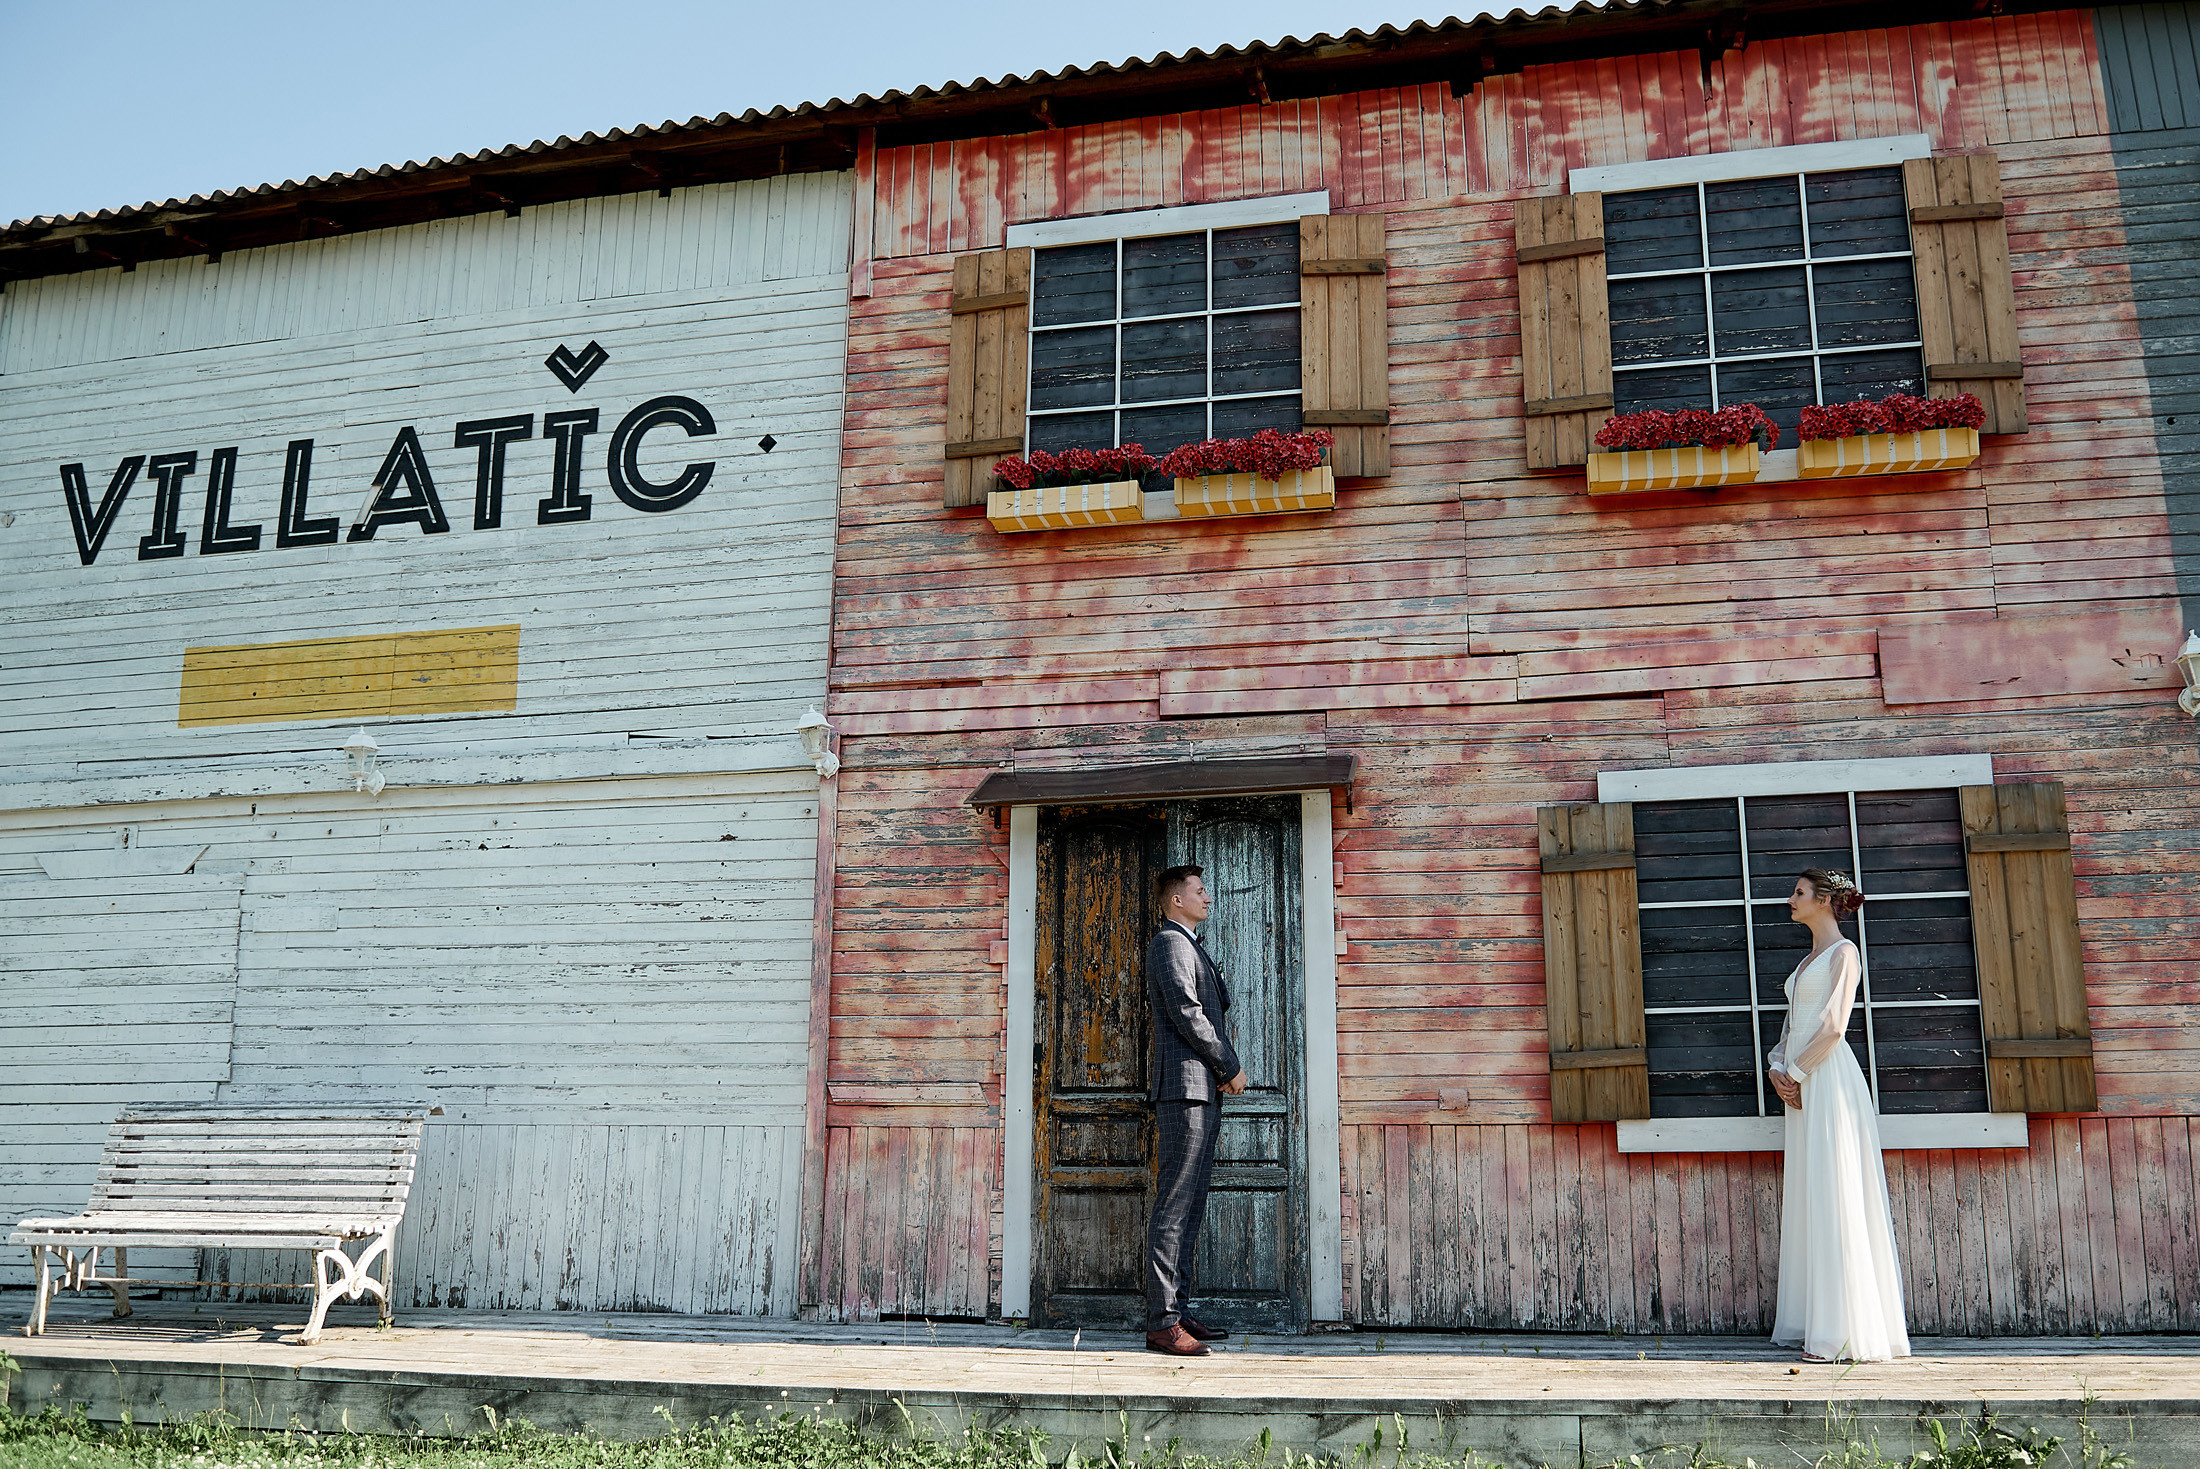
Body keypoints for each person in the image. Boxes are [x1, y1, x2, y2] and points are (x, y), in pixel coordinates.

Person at [1766, 866, 1910, 1363]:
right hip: (1800, 1079)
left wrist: (1798, 1074)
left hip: (1827, 1078)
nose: (1791, 898)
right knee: (1811, 1191)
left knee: (1836, 1189)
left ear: (1825, 900)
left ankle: (1841, 1332)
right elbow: (1791, 1024)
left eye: (1798, 892)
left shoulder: (1844, 954)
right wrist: (1776, 1067)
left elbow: (1832, 1026)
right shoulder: (1807, 961)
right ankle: (1815, 1321)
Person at [1142, 862, 1249, 1357]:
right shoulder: (1169, 943)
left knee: (1192, 1204)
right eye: (1200, 891)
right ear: (1176, 900)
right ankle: (1163, 1323)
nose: (1209, 898)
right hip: (1185, 1088)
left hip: (1201, 1089)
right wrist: (1228, 1064)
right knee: (1175, 1204)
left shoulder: (1188, 943)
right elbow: (1188, 1012)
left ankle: (1178, 1311)